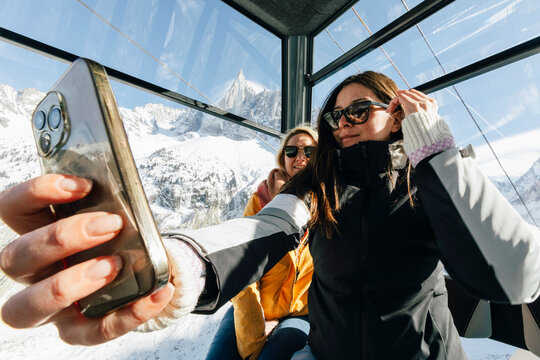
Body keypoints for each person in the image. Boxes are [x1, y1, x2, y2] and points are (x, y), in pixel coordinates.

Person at [1, 71, 539, 359]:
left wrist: (435, 152)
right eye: (334, 116)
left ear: (395, 115)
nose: (343, 124)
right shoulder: (320, 184)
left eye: (359, 111)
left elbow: (512, 275)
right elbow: (269, 226)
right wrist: (171, 268)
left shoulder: (434, 180)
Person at [206, 125, 317, 360]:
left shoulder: (328, 203)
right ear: (282, 157)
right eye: (292, 150)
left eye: (310, 151)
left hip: (299, 313)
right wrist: (254, 334)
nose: (300, 157)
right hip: (253, 308)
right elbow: (242, 269)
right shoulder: (261, 200)